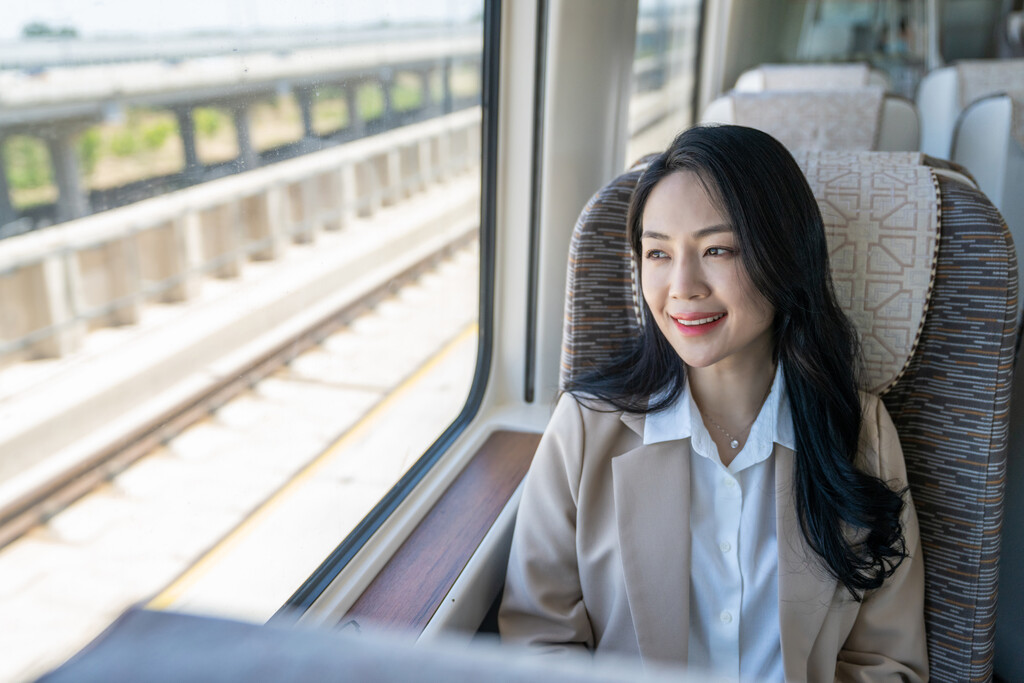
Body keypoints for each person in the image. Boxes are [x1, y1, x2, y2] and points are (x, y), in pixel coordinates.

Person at [498, 125, 928, 682]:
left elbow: (888, 662)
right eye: (658, 253)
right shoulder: (583, 429)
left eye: (717, 249)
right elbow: (538, 640)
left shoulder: (861, 430)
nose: (682, 285)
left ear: (784, 258)